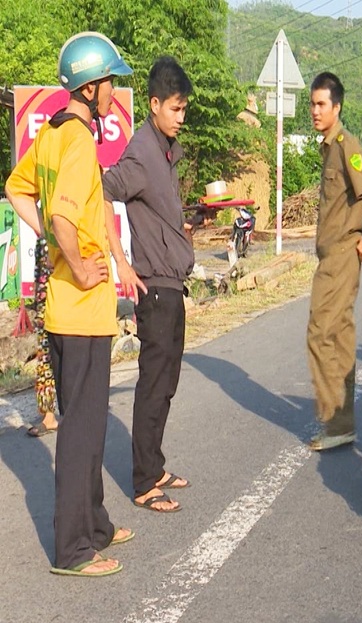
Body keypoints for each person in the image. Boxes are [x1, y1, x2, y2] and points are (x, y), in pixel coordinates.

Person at [4, 31, 134, 577]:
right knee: (82, 429)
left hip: (62, 305)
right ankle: (74, 549)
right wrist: (77, 261)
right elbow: (60, 214)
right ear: (92, 84)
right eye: (110, 83)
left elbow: (16, 188)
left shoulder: (54, 134)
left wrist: (58, 253)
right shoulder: (78, 142)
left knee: (90, 422)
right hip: (81, 310)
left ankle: (96, 523)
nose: (112, 92)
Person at [101, 56, 197, 513]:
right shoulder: (141, 151)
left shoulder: (164, 151)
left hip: (171, 283)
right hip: (153, 289)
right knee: (154, 382)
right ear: (155, 104)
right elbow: (101, 190)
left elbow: (156, 213)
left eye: (184, 110)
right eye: (176, 109)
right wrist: (120, 261)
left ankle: (154, 465)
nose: (182, 117)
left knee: (168, 380)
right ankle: (143, 483)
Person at [306, 72, 362, 451]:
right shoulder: (328, 147)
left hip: (341, 255)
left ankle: (332, 419)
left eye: (321, 104)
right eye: (312, 103)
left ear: (336, 107)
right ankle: (342, 423)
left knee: (320, 333)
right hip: (332, 256)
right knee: (338, 335)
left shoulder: (345, 145)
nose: (314, 111)